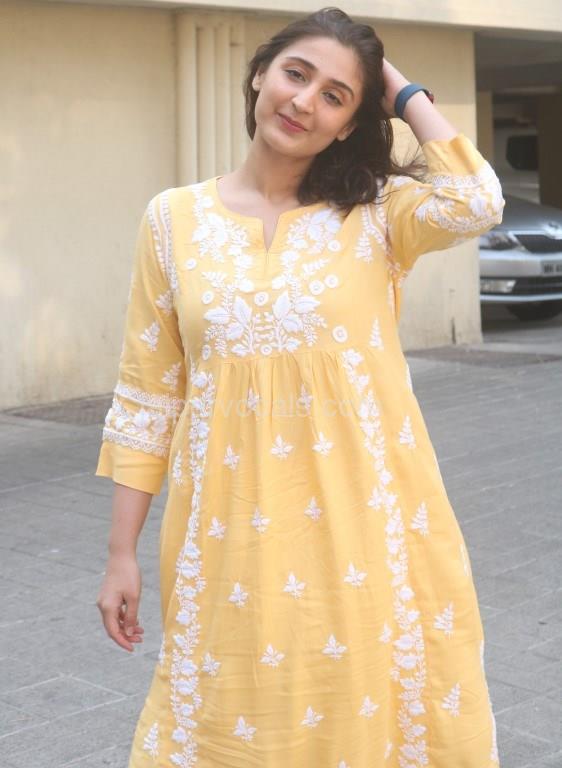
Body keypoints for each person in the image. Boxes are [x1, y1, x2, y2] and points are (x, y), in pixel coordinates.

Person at [95, 7, 504, 766]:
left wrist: (395, 85)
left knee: (363, 707)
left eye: (334, 96)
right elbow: (148, 397)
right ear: (260, 75)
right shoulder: (172, 220)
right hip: (226, 529)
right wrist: (121, 553)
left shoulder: (377, 214)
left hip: (363, 523)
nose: (304, 101)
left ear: (351, 123)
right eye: (296, 74)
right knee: (231, 717)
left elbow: (477, 201)